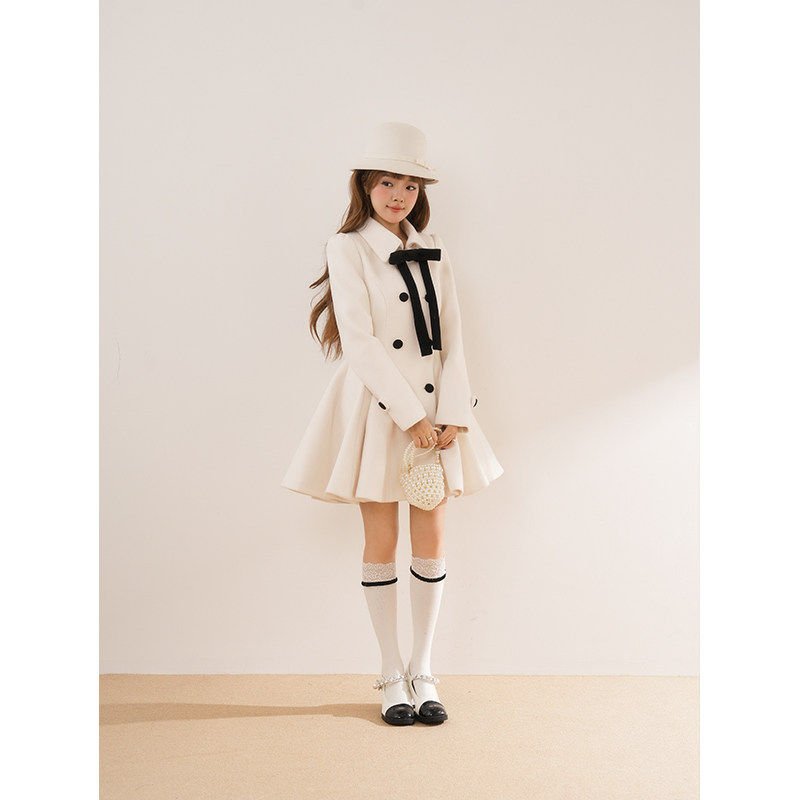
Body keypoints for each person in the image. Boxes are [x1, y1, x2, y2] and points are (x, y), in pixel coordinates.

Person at [282, 122, 502, 725]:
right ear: (365, 186)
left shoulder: (435, 248)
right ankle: (389, 674)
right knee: (380, 538)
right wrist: (411, 418)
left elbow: (454, 336)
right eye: (387, 182)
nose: (399, 195)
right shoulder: (347, 247)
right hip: (381, 411)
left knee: (432, 535)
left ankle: (423, 671)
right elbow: (360, 341)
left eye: (410, 185)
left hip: (439, 414)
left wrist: (452, 413)